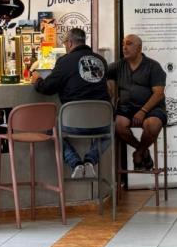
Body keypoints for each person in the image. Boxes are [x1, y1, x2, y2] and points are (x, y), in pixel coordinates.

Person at [30, 27, 111, 179]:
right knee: (110, 131)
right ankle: (90, 160)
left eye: (65, 43)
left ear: (71, 43)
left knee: (49, 127)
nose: (65, 46)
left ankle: (75, 162)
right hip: (102, 123)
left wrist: (37, 79)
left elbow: (47, 88)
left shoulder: (65, 61)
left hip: (73, 124)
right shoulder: (101, 61)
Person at [107, 34, 167, 171]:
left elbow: (159, 94)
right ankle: (142, 151)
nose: (124, 47)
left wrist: (143, 111)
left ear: (139, 48)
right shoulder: (119, 65)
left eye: (129, 44)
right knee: (118, 125)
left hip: (151, 108)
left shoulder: (153, 66)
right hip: (126, 108)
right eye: (123, 44)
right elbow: (100, 72)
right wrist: (107, 86)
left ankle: (138, 153)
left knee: (152, 125)